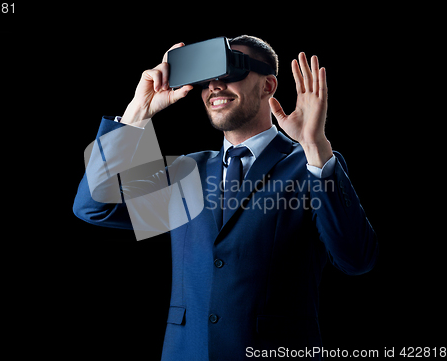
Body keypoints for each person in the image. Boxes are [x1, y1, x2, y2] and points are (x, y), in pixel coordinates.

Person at [73, 35, 378, 361]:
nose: (215, 86)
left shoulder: (313, 165)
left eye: (230, 72)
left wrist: (315, 146)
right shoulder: (188, 171)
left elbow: (356, 260)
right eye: (206, 78)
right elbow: (94, 206)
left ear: (268, 85)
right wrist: (138, 113)